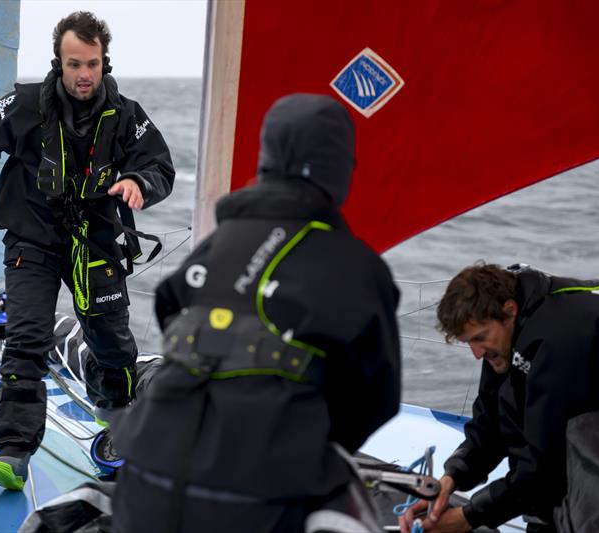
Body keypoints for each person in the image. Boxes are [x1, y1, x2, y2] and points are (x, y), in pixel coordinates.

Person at [110, 93, 401, 532]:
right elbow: (376, 397)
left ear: (266, 159)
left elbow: (171, 305)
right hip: (257, 497)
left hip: (144, 473)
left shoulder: (216, 245)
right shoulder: (355, 267)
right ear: (338, 167)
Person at [0, 11, 175, 491]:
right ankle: (14, 451)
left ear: (105, 62)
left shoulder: (126, 115)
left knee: (113, 345)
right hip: (31, 239)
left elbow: (160, 165)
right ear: (59, 62)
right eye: (74, 64)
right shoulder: (23, 105)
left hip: (95, 243)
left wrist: (139, 183)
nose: (84, 75)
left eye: (92, 64)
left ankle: (117, 427)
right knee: (26, 339)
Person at [400, 263, 599, 533]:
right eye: (469, 343)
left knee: (589, 479)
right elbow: (492, 423)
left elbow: (543, 465)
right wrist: (450, 479)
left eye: (480, 339)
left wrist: (468, 517)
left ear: (509, 311)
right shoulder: (508, 330)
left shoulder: (557, 339)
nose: (476, 353)